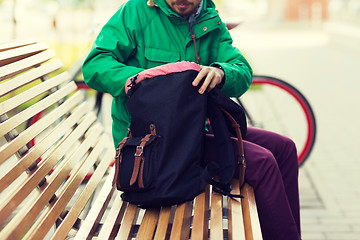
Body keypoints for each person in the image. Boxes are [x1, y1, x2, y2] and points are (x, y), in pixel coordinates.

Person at [82, 0, 301, 239]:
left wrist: (221, 72)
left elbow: (242, 70)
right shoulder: (136, 12)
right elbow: (95, 65)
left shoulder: (208, 17)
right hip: (150, 145)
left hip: (195, 131)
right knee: (264, 163)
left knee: (284, 148)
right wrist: (141, 79)